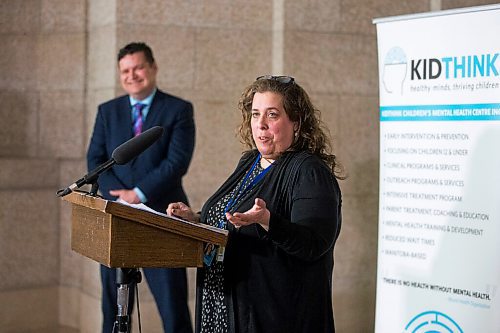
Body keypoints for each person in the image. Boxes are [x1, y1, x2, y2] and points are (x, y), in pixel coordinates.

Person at [167, 75, 343, 333]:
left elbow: (314, 244)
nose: (260, 125)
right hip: (223, 304)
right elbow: (237, 215)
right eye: (255, 114)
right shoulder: (249, 161)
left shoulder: (309, 171)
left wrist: (268, 221)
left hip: (275, 315)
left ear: (296, 122)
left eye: (272, 115)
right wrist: (196, 219)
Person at [87, 42, 194, 333]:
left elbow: (176, 162)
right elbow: (95, 160)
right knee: (114, 307)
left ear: (153, 67)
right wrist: (121, 197)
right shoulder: (107, 111)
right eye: (125, 70)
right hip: (117, 219)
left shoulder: (179, 110)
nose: (132, 75)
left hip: (163, 219)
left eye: (138, 67)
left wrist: (139, 194)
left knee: (173, 306)